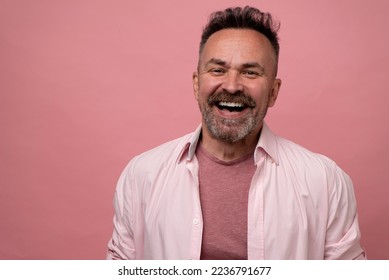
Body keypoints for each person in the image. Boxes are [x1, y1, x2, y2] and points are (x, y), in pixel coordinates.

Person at [106, 6, 366, 260]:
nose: (231, 86)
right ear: (197, 84)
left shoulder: (326, 181)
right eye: (218, 70)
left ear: (273, 91)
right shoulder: (141, 175)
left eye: (250, 72)